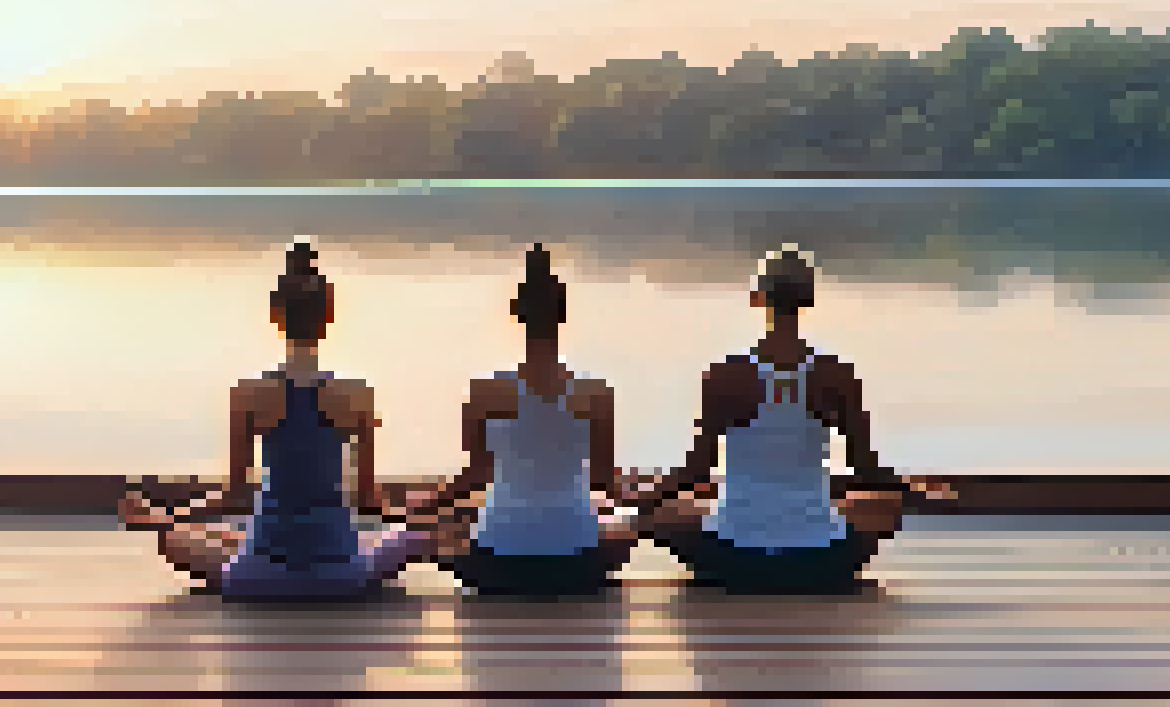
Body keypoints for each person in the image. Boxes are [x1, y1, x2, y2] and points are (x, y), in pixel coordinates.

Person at [118, 239, 430, 600]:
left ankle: (161, 520)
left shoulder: (249, 393)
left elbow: (234, 495)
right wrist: (411, 510)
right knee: (410, 537)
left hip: (259, 576)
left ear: (276, 316)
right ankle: (232, 535)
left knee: (178, 541)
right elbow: (367, 500)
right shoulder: (357, 393)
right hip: (343, 575)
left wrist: (178, 514)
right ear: (329, 316)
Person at [627, 245, 948, 593]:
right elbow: (865, 468)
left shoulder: (724, 374)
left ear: (759, 298)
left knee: (672, 512)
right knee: (885, 506)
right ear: (807, 300)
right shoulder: (836, 374)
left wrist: (645, 499)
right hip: (821, 558)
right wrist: (918, 492)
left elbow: (697, 471)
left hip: (729, 556)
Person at [399, 243, 639, 596]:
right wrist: (640, 497)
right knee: (623, 526)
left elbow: (476, 476)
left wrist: (425, 505)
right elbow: (604, 480)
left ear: (516, 313)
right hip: (580, 562)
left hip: (495, 563)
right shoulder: (597, 392)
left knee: (447, 527)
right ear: (563, 313)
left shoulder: (486, 391)